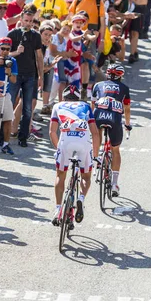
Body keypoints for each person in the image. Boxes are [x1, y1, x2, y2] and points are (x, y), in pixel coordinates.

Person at [49, 85, 100, 226]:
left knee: (60, 175)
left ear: (64, 97)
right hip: (83, 141)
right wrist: (95, 155)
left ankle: (58, 210)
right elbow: (95, 133)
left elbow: (52, 132)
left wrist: (57, 149)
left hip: (65, 141)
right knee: (86, 177)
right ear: (78, 98)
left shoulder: (57, 106)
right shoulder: (85, 106)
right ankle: (81, 199)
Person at [91, 64, 131, 196]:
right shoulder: (124, 88)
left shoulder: (97, 85)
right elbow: (127, 109)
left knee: (98, 134)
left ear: (107, 74)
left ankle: (96, 159)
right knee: (115, 150)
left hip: (98, 115)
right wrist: (127, 124)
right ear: (120, 75)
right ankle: (114, 184)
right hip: (114, 118)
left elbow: (92, 106)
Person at [8, 5, 44, 148]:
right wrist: (16, 52)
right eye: (26, 20)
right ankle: (5, 134)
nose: (28, 23)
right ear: (21, 20)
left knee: (28, 108)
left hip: (30, 75)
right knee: (9, 105)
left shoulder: (36, 35)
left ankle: (23, 137)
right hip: (15, 75)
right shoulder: (12, 34)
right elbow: (4, 55)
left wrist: (40, 76)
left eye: (30, 21)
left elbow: (39, 56)